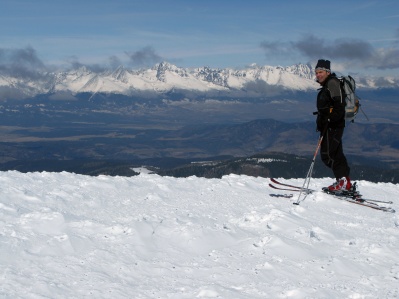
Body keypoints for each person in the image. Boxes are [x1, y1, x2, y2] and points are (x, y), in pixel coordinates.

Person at [315, 59, 351, 192]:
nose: (318, 75)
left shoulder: (332, 83)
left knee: (329, 155)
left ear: (327, 72)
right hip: (331, 126)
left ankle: (342, 182)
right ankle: (344, 182)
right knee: (336, 154)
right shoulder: (328, 84)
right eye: (317, 72)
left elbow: (339, 105)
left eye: (321, 72)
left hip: (333, 126)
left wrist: (330, 119)